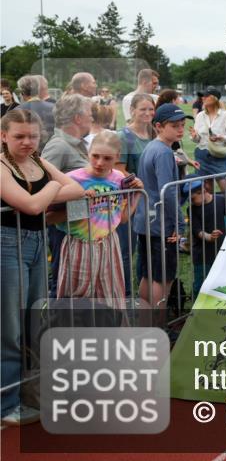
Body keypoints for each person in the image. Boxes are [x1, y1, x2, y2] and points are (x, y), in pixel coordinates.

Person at [1, 109, 84, 425]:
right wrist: (50, 191)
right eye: (19, 136)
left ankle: (27, 394)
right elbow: (32, 204)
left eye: (33, 136)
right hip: (7, 245)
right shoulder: (1, 166)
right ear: (3, 136)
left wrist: (45, 191)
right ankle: (6, 403)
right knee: (9, 326)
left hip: (36, 244)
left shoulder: (37, 161)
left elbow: (75, 188)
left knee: (33, 318)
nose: (27, 142)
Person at [57, 131, 142, 309]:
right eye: (95, 156)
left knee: (111, 298)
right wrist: (80, 203)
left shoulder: (119, 179)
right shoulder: (72, 179)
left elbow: (124, 218)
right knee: (75, 300)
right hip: (78, 245)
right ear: (88, 152)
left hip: (109, 244)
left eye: (107, 158)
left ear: (117, 157)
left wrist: (136, 194)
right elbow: (50, 218)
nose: (100, 163)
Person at [132, 104, 191, 320]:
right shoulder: (164, 152)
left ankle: (145, 322)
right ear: (158, 126)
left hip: (146, 220)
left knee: (148, 274)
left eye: (182, 125)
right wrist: (179, 223)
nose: (180, 130)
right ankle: (158, 325)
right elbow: (167, 192)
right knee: (163, 278)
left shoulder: (151, 147)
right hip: (161, 224)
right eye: (174, 126)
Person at [41, 93, 93, 296]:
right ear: (78, 118)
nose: (92, 118)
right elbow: (42, 187)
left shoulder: (75, 144)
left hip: (76, 226)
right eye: (89, 113)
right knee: (63, 285)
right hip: (63, 229)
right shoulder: (59, 146)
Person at [115, 93, 157, 297]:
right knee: (126, 250)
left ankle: (143, 293)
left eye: (151, 109)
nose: (148, 113)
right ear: (132, 111)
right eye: (143, 109)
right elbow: (118, 171)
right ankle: (124, 295)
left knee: (146, 248)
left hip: (150, 200)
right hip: (130, 202)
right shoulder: (123, 137)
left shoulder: (153, 134)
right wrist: (141, 181)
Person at [185, 179, 226, 298]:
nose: (191, 202)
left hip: (220, 251)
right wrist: (210, 237)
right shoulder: (192, 209)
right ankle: (196, 311)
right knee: (200, 284)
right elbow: (197, 231)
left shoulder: (220, 201)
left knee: (220, 282)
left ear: (202, 191)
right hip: (202, 255)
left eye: (192, 198)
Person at [189, 88, 226, 178]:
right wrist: (195, 136)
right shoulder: (200, 115)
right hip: (202, 155)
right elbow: (197, 140)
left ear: (215, 98)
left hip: (220, 156)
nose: (203, 98)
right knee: (205, 189)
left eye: (206, 96)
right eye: (202, 96)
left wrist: (221, 137)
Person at [16, 75, 55, 146]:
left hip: (28, 151)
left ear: (22, 92)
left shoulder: (17, 111)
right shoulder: (54, 107)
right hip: (52, 149)